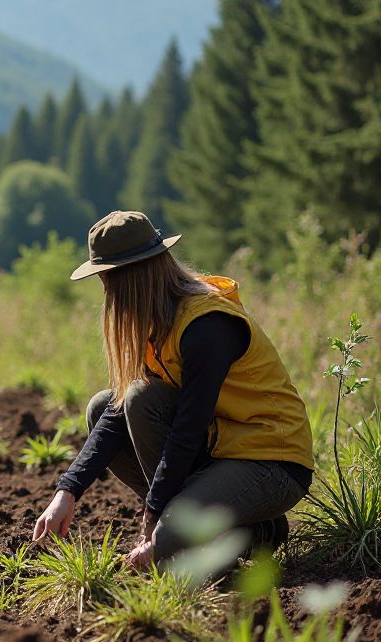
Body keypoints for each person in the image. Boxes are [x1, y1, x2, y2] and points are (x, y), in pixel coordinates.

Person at [31, 209, 314, 570]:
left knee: (167, 544)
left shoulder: (207, 325)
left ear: (127, 277)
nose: (104, 290)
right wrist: (67, 491)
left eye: (105, 278)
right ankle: (244, 526)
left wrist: (152, 522)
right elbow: (121, 413)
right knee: (104, 406)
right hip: (220, 449)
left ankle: (241, 533)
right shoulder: (160, 321)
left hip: (271, 461)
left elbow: (187, 429)